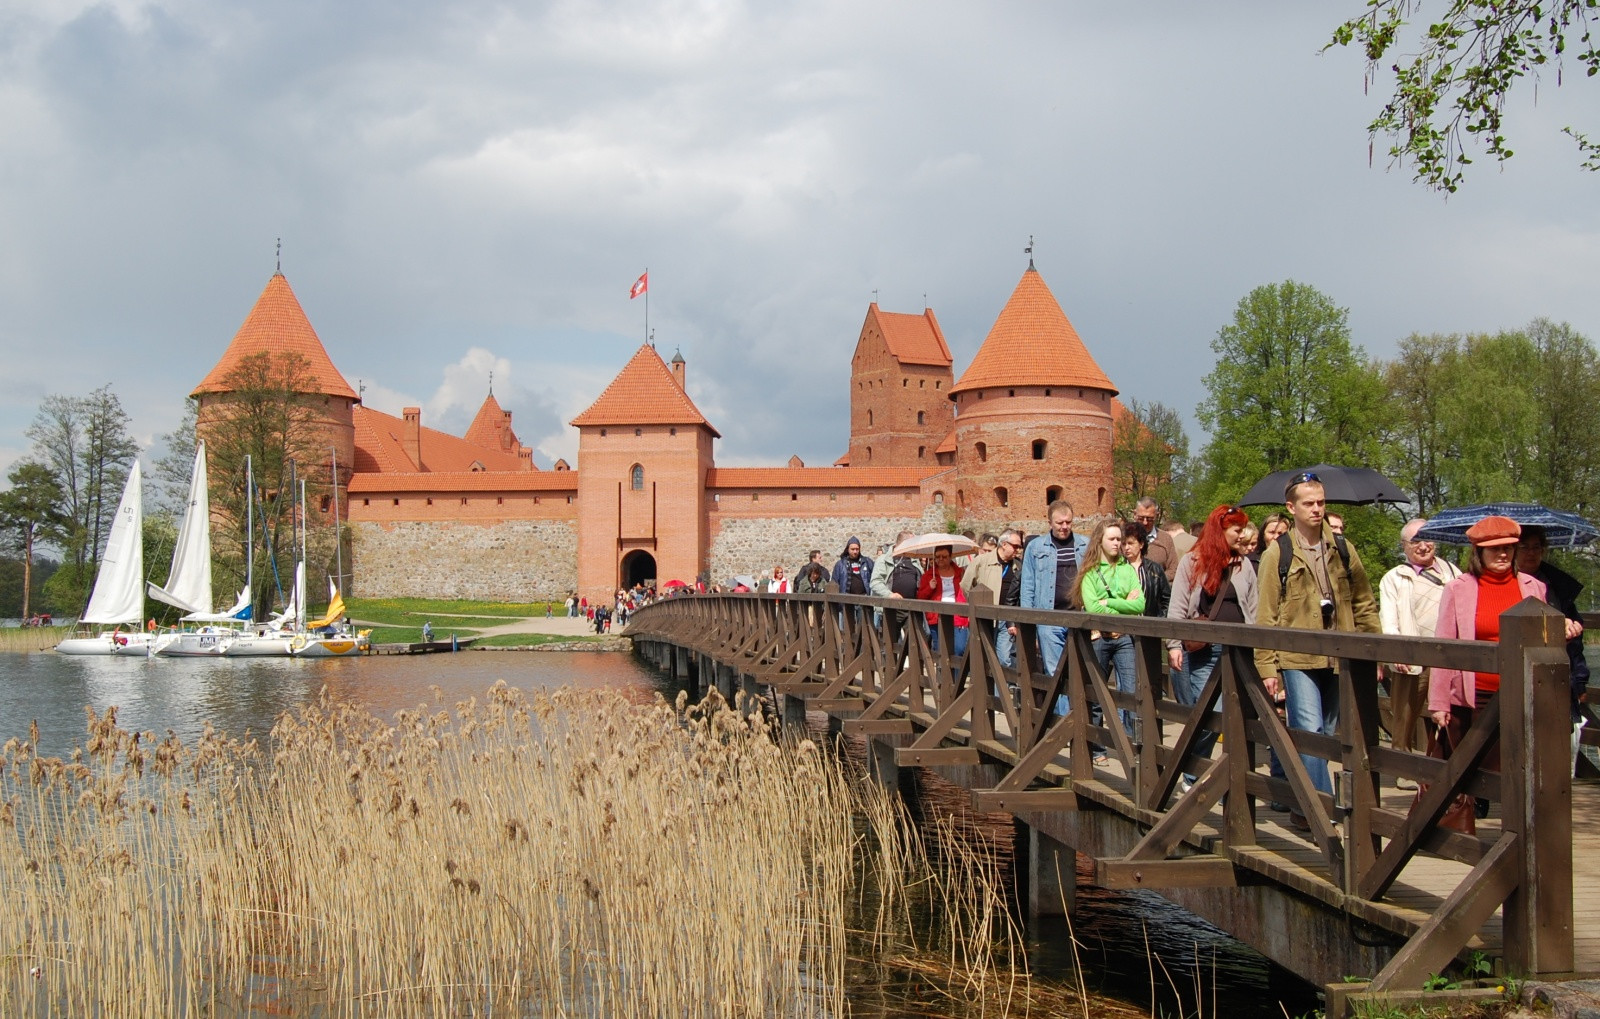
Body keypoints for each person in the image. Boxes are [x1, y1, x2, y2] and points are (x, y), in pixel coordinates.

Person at [1255, 472, 1381, 819]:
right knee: (1308, 730)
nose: (1317, 509)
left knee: (1326, 733)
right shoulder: (1278, 553)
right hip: (1298, 656)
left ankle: (1304, 804)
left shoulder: (1342, 548)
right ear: (1291, 507)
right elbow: (1266, 614)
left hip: (1340, 655)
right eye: (1309, 503)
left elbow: (1364, 602)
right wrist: (1267, 666)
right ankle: (1324, 813)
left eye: (1321, 502)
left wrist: (1375, 652)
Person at [1429, 516, 1548, 814]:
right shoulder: (1458, 589)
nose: (1503, 554)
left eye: (1508, 547)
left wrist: (1565, 627)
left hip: (1519, 693)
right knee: (1468, 773)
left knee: (1520, 769)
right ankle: (1466, 823)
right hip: (1473, 696)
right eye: (1495, 549)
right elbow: (1444, 647)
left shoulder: (1534, 587)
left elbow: (1545, 638)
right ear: (1479, 552)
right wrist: (1439, 702)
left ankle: (1519, 826)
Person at [1166, 504, 1258, 785]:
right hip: (1206, 651)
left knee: (1240, 715)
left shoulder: (1243, 564)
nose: (1241, 535)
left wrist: (1260, 648)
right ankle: (1192, 773)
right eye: (1236, 530)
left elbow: (1253, 608)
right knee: (1211, 713)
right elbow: (1178, 606)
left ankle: (1236, 779)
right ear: (1220, 531)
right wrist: (1173, 644)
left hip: (1240, 650)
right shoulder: (1192, 562)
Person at [1378, 518, 1462, 769]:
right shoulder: (1394, 578)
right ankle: (1402, 768)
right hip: (1412, 658)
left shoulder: (1452, 572)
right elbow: (1389, 619)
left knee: (1451, 714)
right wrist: (1397, 652)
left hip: (1447, 656)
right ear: (1404, 546)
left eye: (1428, 539)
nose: (1423, 546)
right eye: (1415, 541)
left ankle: (1446, 767)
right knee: (1404, 716)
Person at [1514, 524, 1589, 772]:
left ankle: (1557, 787)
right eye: (1524, 547)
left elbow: (1576, 641)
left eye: (1536, 547)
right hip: (1516, 675)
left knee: (1559, 739)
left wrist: (1580, 681)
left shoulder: (1557, 585)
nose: (1531, 553)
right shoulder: (1505, 583)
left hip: (1556, 675)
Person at [1076, 518, 1145, 756]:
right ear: (1100, 541)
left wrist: (1110, 603)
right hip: (1099, 637)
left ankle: (1132, 750)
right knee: (1096, 694)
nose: (1118, 544)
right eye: (1112, 539)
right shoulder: (1090, 572)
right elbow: (1093, 608)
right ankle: (1097, 748)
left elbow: (1140, 604)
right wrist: (1124, 604)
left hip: (1124, 638)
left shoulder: (1127, 569)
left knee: (1131, 694)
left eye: (1120, 539)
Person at [1020, 500, 1090, 705]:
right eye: (1060, 523)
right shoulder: (1036, 547)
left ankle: (1078, 717)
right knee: (1055, 673)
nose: (1064, 526)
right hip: (1048, 619)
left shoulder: (1085, 545)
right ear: (1049, 522)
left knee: (1081, 672)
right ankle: (1063, 719)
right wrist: (1029, 625)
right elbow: (1028, 586)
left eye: (1068, 522)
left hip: (1079, 618)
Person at [963, 527, 1024, 666]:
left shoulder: (1018, 566)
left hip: (1006, 617)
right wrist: (974, 606)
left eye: (1020, 547)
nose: (1018, 550)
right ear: (1004, 544)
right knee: (983, 657)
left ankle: (1002, 681)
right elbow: (965, 585)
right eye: (1015, 546)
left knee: (1004, 659)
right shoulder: (982, 561)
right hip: (985, 617)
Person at [872, 531, 924, 648]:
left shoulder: (914, 559)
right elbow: (875, 582)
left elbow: (920, 579)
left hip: (913, 607)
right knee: (889, 645)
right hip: (892, 608)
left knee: (915, 645)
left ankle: (910, 661)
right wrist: (889, 594)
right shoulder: (884, 559)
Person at [916, 545, 969, 656]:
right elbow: (920, 597)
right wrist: (930, 588)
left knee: (959, 649)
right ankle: (942, 668)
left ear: (950, 556)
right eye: (937, 556)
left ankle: (957, 669)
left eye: (944, 557)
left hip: (958, 614)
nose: (940, 559)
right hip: (937, 616)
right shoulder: (929, 575)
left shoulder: (960, 573)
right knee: (941, 650)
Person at [1122, 523, 1171, 621]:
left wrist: (1159, 620)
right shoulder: (1118, 568)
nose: (1126, 548)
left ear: (1141, 544)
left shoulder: (1155, 569)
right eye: (1123, 544)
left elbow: (1166, 599)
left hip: (1150, 625)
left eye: (1130, 543)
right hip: (1125, 624)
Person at [1134, 497, 1180, 582]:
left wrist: (1155, 580)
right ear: (1135, 514)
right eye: (1141, 518)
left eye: (1150, 519)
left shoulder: (1166, 539)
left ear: (1157, 516)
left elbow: (1174, 569)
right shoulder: (1123, 538)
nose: (1145, 522)